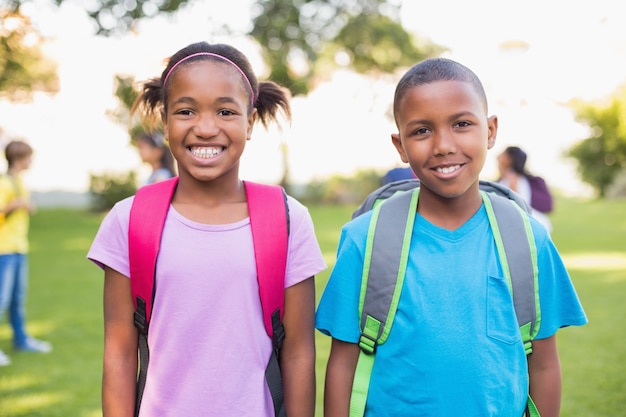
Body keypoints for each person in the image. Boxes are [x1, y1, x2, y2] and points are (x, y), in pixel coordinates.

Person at [316, 58, 587, 417]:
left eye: (461, 124)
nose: (443, 145)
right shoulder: (364, 239)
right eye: (421, 131)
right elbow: (342, 364)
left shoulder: (527, 240)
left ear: (490, 131)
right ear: (400, 145)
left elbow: (544, 365)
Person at [87, 41, 326, 416]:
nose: (205, 127)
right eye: (186, 111)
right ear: (165, 123)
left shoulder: (288, 219)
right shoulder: (129, 219)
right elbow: (118, 350)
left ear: (249, 122)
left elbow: (298, 352)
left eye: (226, 111)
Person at [0, 140, 52, 367]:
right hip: (4, 250)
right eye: (28, 157)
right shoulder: (4, 183)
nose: (31, 161)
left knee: (16, 299)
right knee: (2, 300)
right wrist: (14, 206)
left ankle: (21, 340)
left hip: (19, 247)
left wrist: (24, 206)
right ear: (19, 158)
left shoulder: (19, 182)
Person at [497, 145, 553, 232]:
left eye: (503, 154)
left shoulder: (512, 177)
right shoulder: (511, 177)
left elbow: (513, 201)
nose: (498, 156)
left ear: (508, 159)